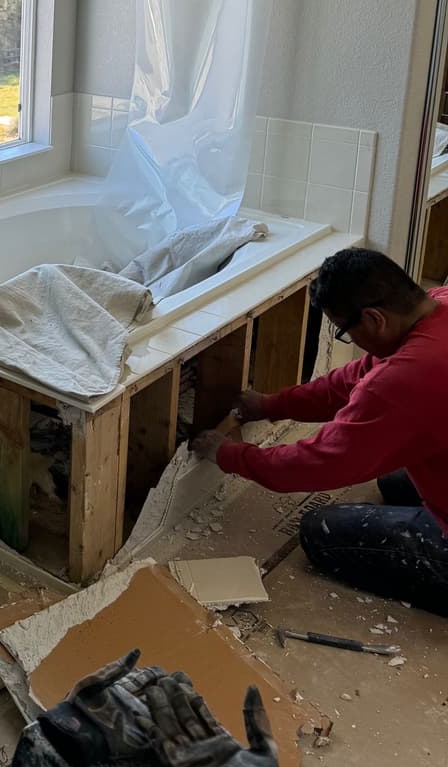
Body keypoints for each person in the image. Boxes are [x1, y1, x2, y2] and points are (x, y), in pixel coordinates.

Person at [192, 246, 448, 615]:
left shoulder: (411, 375)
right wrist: (272, 405)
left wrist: (229, 454)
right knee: (395, 479)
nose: (350, 341)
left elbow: (319, 463)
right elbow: (356, 379)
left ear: (374, 318)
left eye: (344, 331)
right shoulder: (436, 305)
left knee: (320, 532)